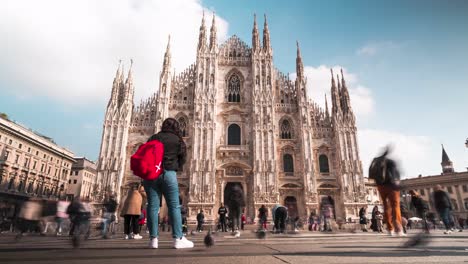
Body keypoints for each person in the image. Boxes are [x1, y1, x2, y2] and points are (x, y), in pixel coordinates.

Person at [143, 118, 194, 249]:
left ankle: (153, 239)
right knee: (174, 207)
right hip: (168, 173)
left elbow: (144, 154)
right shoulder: (177, 140)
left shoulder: (154, 137)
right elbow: (183, 157)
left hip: (152, 174)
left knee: (152, 207)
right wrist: (175, 166)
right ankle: (178, 238)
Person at [370, 146, 404, 236]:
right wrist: (397, 182)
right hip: (391, 185)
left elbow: (372, 173)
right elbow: (395, 174)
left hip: (380, 186)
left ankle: (390, 229)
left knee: (386, 207)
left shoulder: (376, 161)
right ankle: (398, 229)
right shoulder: (390, 162)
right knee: (395, 206)